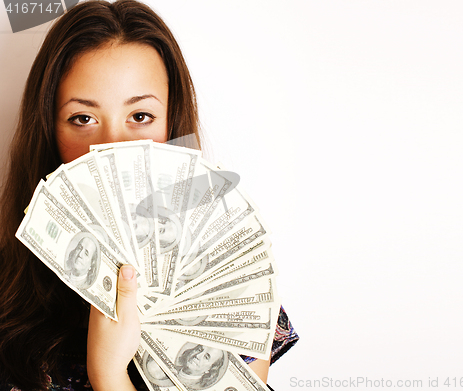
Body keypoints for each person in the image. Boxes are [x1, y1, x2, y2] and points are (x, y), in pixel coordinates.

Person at [0, 1, 299, 390]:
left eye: (140, 117)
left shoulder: (235, 288)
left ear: (171, 123)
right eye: (83, 119)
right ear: (48, 130)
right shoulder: (7, 291)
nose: (110, 149)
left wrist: (108, 374)